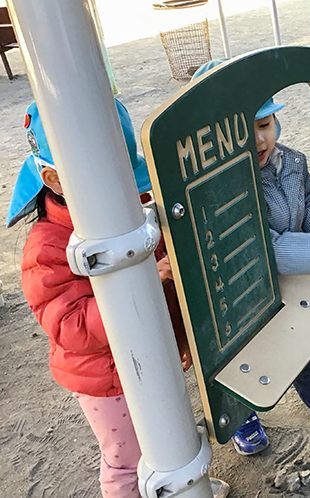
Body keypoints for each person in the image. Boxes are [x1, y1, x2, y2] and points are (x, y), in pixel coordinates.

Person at [8, 100, 229, 498]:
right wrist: (141, 281)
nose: (129, 191)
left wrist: (180, 336)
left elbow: (167, 273)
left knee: (171, 431)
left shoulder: (131, 210)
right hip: (106, 378)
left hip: (153, 356)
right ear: (54, 180)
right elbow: (70, 327)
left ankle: (184, 488)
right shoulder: (47, 249)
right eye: (115, 182)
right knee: (126, 459)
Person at [192, 60, 310, 457]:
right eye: (243, 132)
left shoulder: (290, 161)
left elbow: (308, 200)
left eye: (264, 125)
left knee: (300, 354)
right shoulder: (224, 187)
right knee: (239, 361)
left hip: (288, 284)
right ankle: (245, 418)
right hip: (240, 295)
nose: (258, 139)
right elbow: (257, 245)